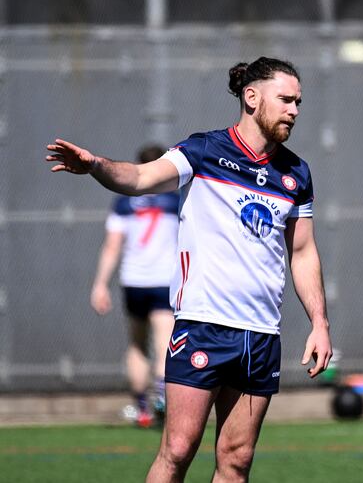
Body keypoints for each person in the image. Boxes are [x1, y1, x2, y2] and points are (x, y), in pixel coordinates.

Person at [46, 56, 333, 483]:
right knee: (178, 450)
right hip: (203, 325)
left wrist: (319, 321)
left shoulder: (296, 173)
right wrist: (95, 166)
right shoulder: (204, 151)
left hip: (260, 335)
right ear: (251, 97)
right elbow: (139, 178)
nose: (294, 109)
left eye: (298, 102)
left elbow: (304, 251)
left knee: (236, 461)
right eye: (286, 100)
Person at [91, 144, 178, 428]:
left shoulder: (124, 202)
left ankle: (142, 408)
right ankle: (163, 399)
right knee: (165, 343)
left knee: (137, 345)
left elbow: (111, 246)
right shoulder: (174, 199)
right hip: (165, 279)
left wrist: (100, 284)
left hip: (134, 281)